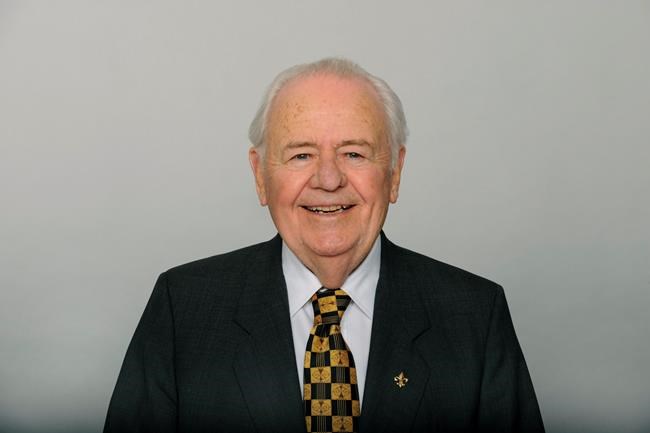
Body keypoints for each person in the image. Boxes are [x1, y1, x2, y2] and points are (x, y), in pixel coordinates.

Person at [104, 58, 545, 433]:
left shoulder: (475, 316)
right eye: (301, 155)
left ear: (394, 172)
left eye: (354, 153)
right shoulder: (183, 310)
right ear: (260, 175)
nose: (329, 179)